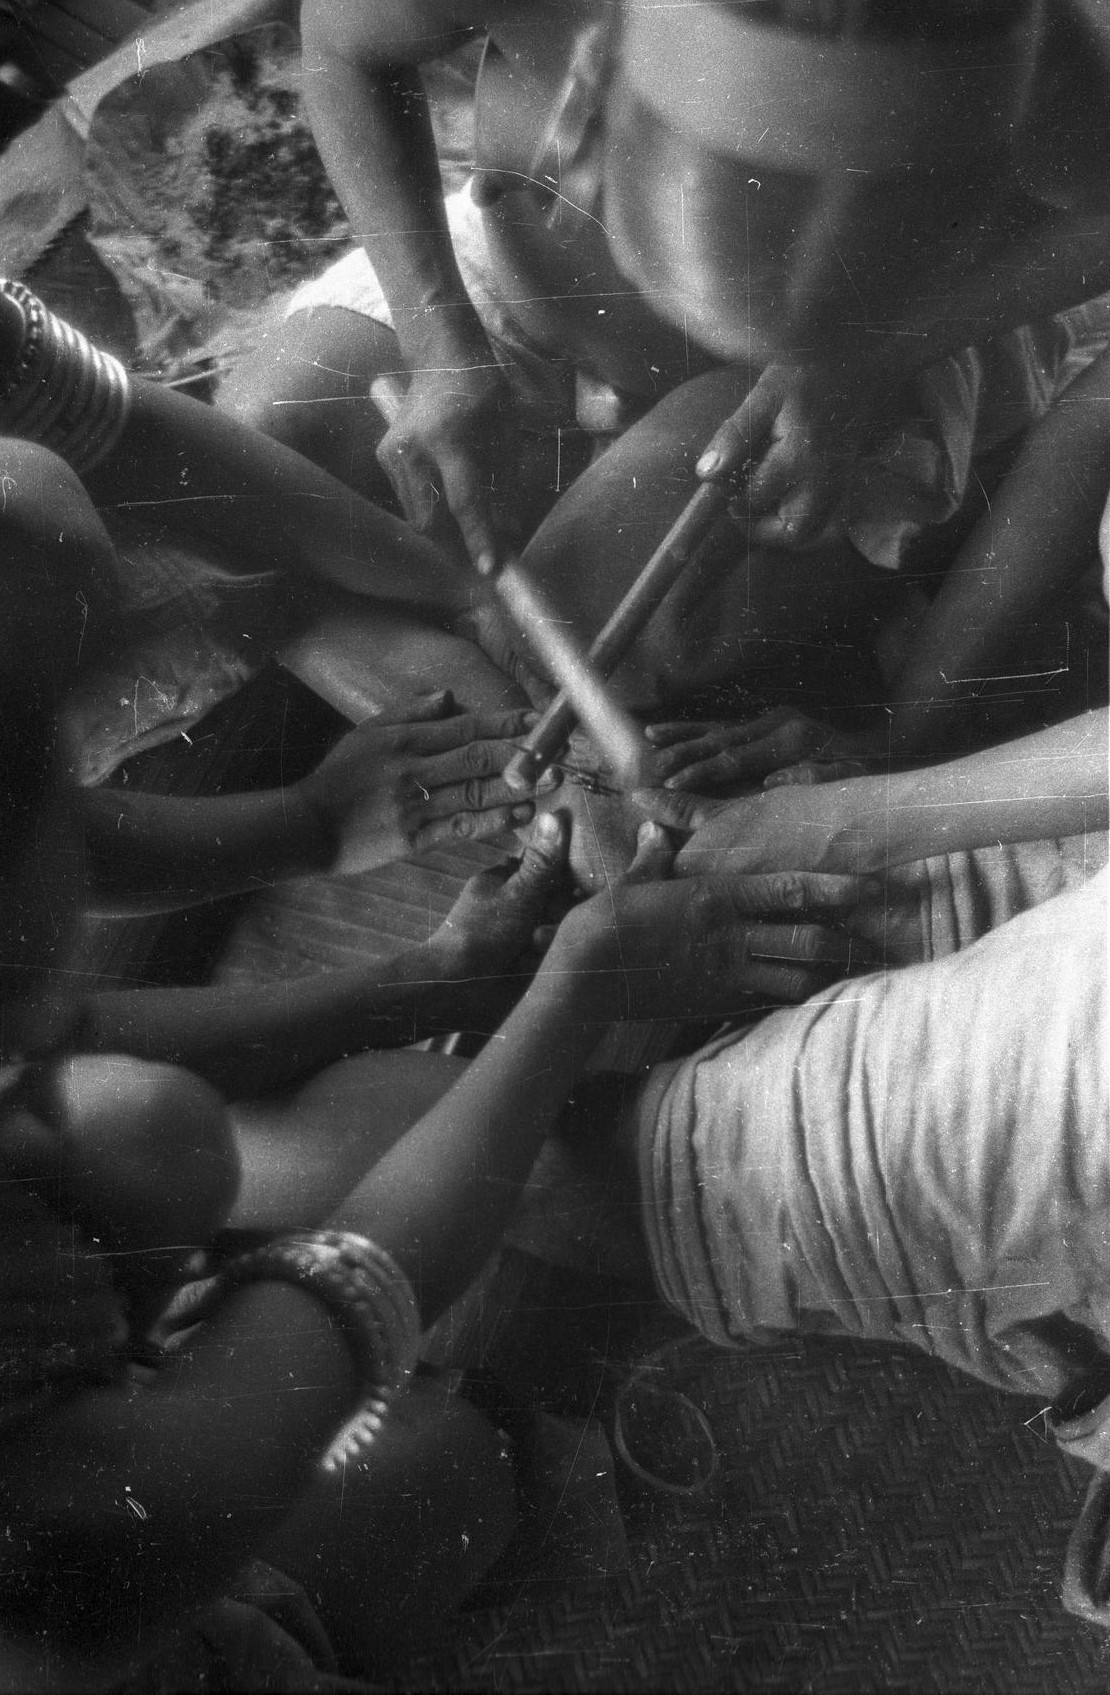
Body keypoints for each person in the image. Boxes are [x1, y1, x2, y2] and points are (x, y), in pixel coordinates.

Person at [0, 468, 867, 1688]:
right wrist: (566, 1000)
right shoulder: (78, 1535)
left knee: (150, 1128)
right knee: (463, 1456)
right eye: (62, 781)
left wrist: (418, 977)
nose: (92, 795)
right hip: (84, 1602)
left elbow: (63, 1013)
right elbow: (113, 1541)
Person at [221, 1, 1110, 723]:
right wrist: (441, 345)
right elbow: (340, 47)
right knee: (246, 455)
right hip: (532, 276)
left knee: (566, 643)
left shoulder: (1017, 37)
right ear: (595, 91)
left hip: (872, 352)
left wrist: (870, 355)